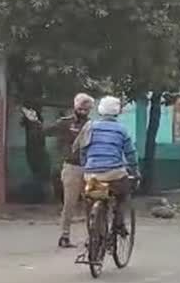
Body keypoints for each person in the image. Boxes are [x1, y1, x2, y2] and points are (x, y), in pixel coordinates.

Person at [28, 93, 95, 248]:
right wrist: (34, 122)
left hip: (90, 168)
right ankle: (64, 236)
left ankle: (92, 237)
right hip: (71, 167)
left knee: (91, 204)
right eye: (81, 107)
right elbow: (45, 131)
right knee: (69, 204)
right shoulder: (65, 123)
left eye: (86, 108)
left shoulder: (93, 125)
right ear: (75, 107)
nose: (83, 111)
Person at [74, 96, 139, 244]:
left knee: (90, 200)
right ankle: (119, 222)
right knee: (123, 193)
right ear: (117, 112)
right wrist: (135, 171)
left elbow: (82, 150)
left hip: (92, 174)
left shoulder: (89, 126)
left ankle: (92, 235)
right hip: (114, 173)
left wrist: (86, 167)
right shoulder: (121, 130)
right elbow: (130, 153)